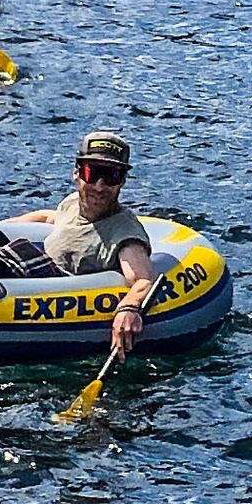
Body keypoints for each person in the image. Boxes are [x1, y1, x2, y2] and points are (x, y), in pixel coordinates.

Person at [35, 130, 162, 360]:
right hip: (25, 268)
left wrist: (129, 308)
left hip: (48, 286)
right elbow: (47, 217)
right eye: (91, 173)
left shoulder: (124, 234)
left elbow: (144, 279)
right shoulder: (73, 204)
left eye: (111, 176)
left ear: (122, 180)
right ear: (77, 173)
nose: (100, 187)